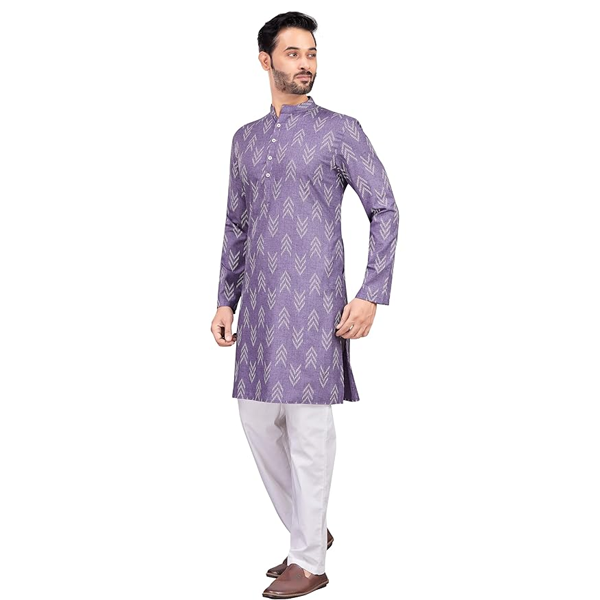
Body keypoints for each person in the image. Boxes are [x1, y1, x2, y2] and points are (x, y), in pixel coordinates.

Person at [210, 11, 399, 598]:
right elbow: (236, 224)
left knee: (310, 428)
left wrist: (371, 292)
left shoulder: (340, 130)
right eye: (293, 53)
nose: (306, 64)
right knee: (255, 418)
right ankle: (309, 528)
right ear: (265, 60)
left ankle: (310, 561)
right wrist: (225, 299)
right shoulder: (245, 139)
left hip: (316, 303)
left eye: (311, 53)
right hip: (261, 307)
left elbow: (385, 209)